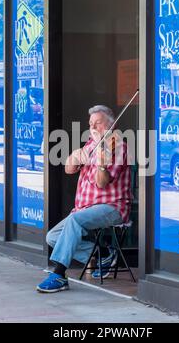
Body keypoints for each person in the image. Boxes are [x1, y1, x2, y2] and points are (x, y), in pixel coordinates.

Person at [37, 105, 133, 293]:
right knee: (52, 236)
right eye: (91, 124)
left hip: (112, 207)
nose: (93, 127)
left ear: (111, 125)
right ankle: (103, 254)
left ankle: (59, 274)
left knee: (74, 220)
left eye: (98, 123)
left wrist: (102, 165)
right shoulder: (91, 145)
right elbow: (68, 169)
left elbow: (102, 183)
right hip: (84, 209)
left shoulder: (119, 147)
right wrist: (73, 157)